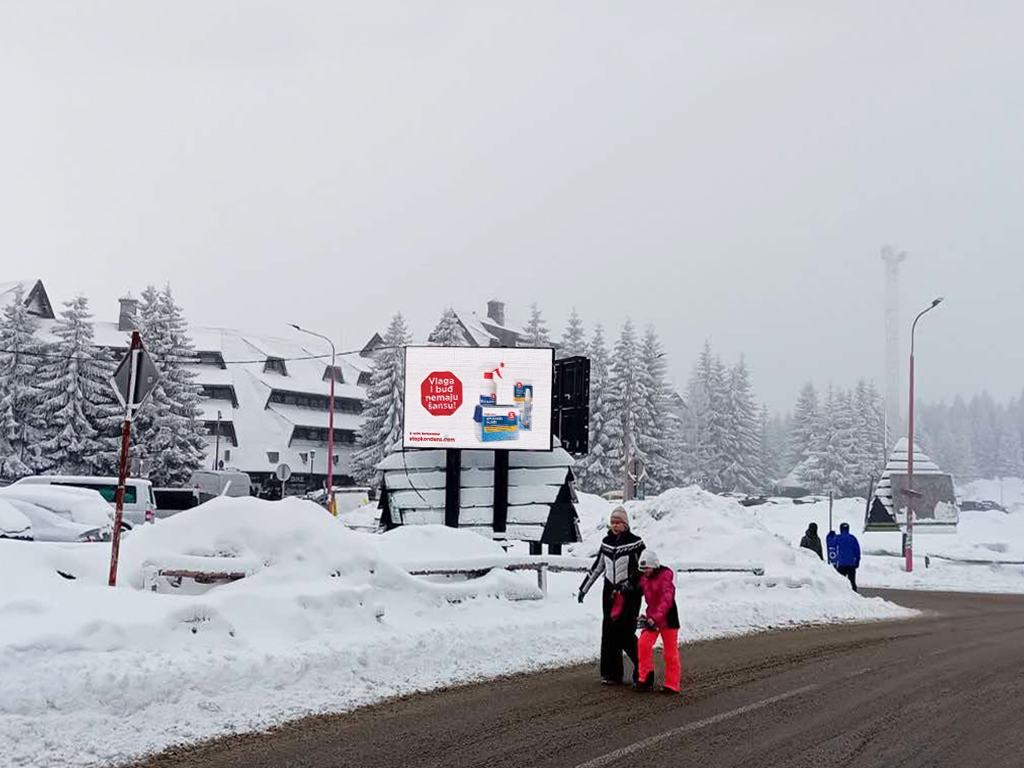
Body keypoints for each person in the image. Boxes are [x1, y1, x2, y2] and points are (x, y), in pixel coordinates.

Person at [578, 507, 646, 685]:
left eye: (618, 522)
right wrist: (584, 589)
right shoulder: (606, 542)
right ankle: (611, 674)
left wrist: (631, 584)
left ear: (626, 524)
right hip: (609, 592)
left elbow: (644, 568)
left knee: (626, 632)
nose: (615, 525)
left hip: (630, 594)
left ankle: (644, 669)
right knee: (609, 632)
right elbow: (598, 567)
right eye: (613, 522)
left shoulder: (636, 543)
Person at [635, 550, 681, 694]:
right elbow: (635, 592)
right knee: (643, 644)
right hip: (652, 619)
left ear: (654, 566)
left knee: (670, 653)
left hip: (668, 619)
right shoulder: (644, 578)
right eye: (643, 569)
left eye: (647, 568)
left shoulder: (666, 576)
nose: (645, 571)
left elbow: (666, 600)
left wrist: (654, 618)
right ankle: (645, 678)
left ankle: (672, 685)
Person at [834, 522, 861, 591]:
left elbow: (831, 544)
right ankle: (854, 593)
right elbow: (857, 551)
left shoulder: (837, 538)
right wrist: (857, 561)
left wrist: (830, 536)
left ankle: (842, 593)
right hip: (851, 564)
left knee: (841, 582)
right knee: (852, 581)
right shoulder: (852, 538)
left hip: (841, 564)